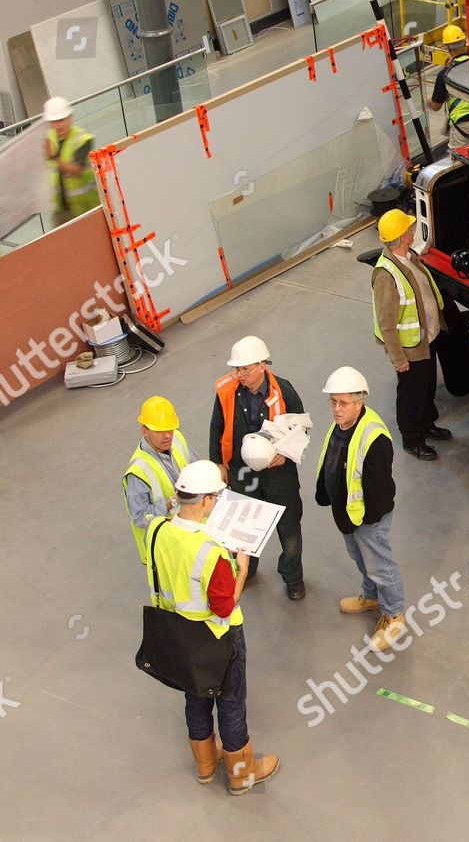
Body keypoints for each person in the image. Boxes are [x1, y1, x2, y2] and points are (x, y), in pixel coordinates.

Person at [145, 460, 278, 795]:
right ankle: (241, 773)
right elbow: (224, 606)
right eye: (216, 498)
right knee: (231, 702)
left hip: (179, 633)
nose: (218, 504)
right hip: (218, 636)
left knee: (196, 696)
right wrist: (242, 569)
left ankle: (205, 764)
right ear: (204, 501)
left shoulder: (157, 530)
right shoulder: (210, 551)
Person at [315, 366, 409, 651]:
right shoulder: (341, 425)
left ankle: (394, 614)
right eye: (333, 402)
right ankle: (371, 597)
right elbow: (330, 461)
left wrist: (367, 520)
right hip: (348, 514)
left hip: (368, 517)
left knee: (380, 564)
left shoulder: (374, 437)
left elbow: (380, 489)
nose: (336, 409)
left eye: (343, 403)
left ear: (360, 402)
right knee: (360, 558)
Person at [208, 335, 306, 599]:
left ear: (262, 365)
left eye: (244, 369)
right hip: (242, 471)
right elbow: (217, 427)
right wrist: (218, 463)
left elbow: (302, 427)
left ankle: (293, 577)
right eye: (236, 369)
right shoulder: (227, 392)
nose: (239, 374)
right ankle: (245, 570)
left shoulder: (284, 391)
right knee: (243, 526)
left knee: (289, 527)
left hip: (279, 473)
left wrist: (285, 454)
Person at [371, 209, 450, 460]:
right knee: (411, 395)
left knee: (426, 387)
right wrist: (398, 358)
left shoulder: (409, 257)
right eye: (409, 229)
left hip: (426, 340)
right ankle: (412, 439)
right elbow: (386, 322)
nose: (413, 231)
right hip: (410, 349)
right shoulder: (386, 275)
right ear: (403, 236)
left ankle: (427, 424)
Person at [123, 396, 197, 565]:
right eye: (160, 431)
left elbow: (195, 466)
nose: (167, 436)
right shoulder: (138, 471)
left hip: (192, 534)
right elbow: (140, 517)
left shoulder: (177, 439)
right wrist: (172, 501)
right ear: (144, 430)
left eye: (170, 429)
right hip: (167, 549)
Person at [426, 24, 469, 148]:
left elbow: (436, 106)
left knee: (459, 161)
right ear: (464, 43)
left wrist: (427, 102)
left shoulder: (445, 73)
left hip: (463, 124)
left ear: (447, 48)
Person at [42, 96, 99, 225]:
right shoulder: (49, 139)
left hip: (87, 209)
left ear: (70, 118)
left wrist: (54, 157)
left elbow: (76, 170)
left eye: (61, 120)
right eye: (54, 122)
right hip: (61, 210)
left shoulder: (83, 139)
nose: (58, 125)